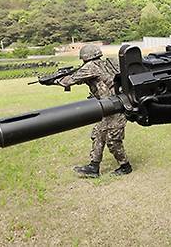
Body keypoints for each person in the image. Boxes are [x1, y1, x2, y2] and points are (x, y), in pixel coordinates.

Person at [55, 44, 131, 177]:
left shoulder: (90, 67)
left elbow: (68, 81)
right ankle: (93, 167)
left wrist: (53, 80)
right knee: (98, 134)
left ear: (85, 57)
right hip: (109, 106)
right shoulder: (107, 63)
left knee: (113, 139)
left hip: (115, 108)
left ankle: (125, 166)